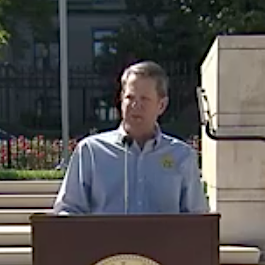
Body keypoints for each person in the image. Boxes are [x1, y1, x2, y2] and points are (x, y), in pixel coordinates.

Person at [52, 60, 210, 215]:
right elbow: (68, 209)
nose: (135, 105)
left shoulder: (181, 156)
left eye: (144, 99)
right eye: (130, 98)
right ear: (121, 100)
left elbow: (197, 217)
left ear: (161, 105)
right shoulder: (91, 152)